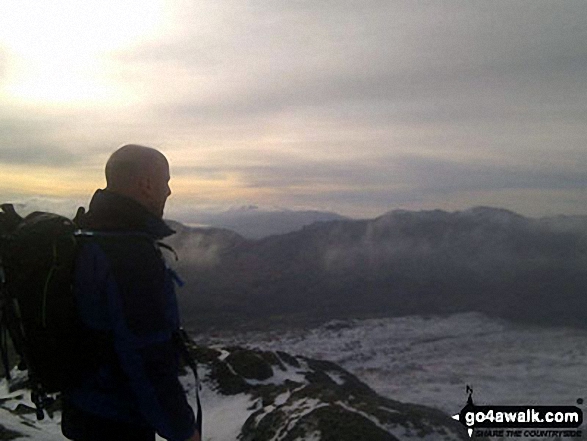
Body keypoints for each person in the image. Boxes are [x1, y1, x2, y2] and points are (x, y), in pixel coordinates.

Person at [61, 145, 201, 441]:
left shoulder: (87, 233)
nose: (170, 191)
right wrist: (183, 431)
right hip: (117, 419)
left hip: (84, 407)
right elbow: (146, 355)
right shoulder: (128, 253)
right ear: (147, 185)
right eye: (167, 181)